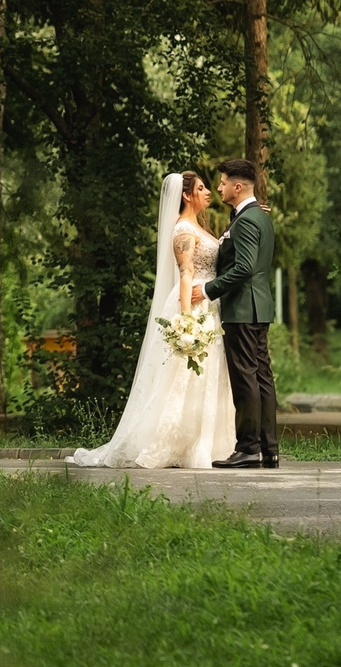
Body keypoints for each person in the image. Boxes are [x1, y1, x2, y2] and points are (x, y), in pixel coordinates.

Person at [69, 169, 236, 469]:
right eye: (201, 188)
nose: (209, 191)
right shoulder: (183, 230)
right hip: (194, 306)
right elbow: (186, 274)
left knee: (206, 378)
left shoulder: (199, 227)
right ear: (186, 195)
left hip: (210, 305)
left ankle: (204, 442)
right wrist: (187, 321)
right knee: (185, 377)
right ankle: (172, 444)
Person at [204, 159, 280, 469]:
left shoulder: (248, 220)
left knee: (246, 378)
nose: (218, 187)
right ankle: (268, 448)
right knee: (261, 376)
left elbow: (245, 267)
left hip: (243, 307)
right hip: (257, 306)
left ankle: (248, 448)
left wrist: (211, 289)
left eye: (223, 182)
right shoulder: (254, 217)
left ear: (238, 187)